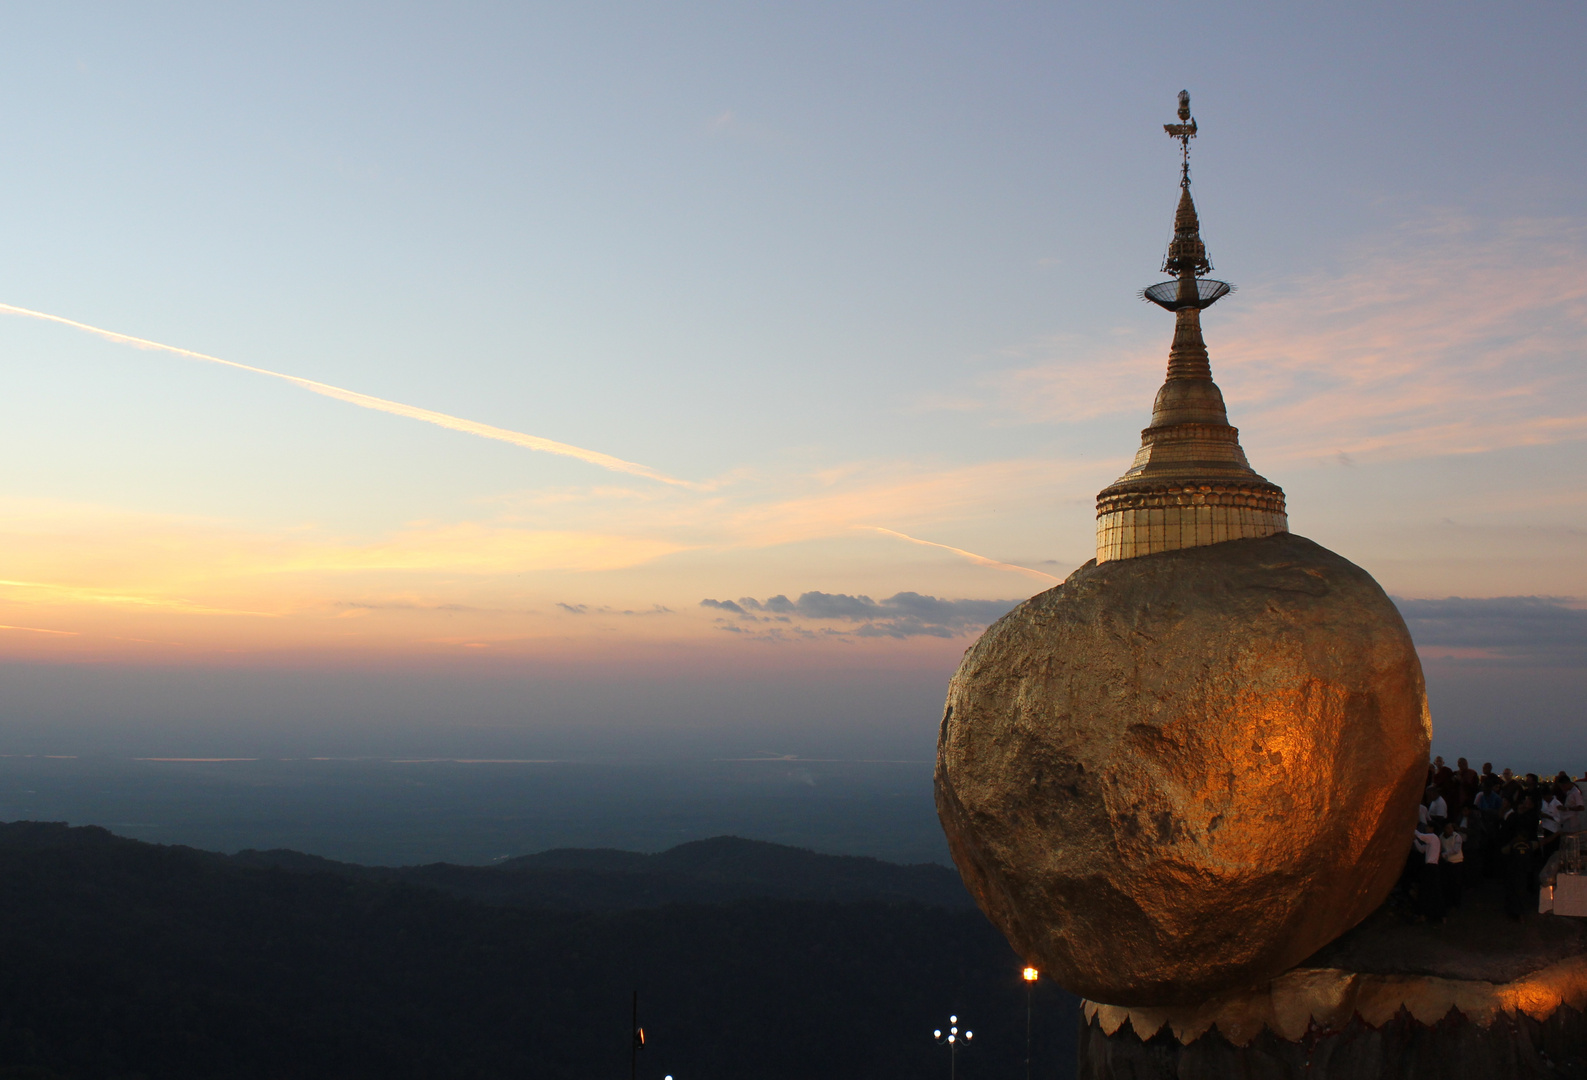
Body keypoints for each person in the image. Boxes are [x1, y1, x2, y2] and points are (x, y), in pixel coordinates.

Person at [1412, 823, 1444, 923]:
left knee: (1426, 890)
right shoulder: (1433, 841)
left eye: (1428, 827)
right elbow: (1422, 849)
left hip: (1430, 868)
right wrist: (1415, 839)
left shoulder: (1432, 837)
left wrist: (1412, 829)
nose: (1426, 828)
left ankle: (1424, 915)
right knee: (1432, 890)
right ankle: (1438, 915)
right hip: (1432, 868)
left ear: (1432, 828)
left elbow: (1421, 836)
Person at [1440, 819, 1465, 909]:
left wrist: (1444, 854)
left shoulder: (1457, 837)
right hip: (1447, 863)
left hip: (1457, 862)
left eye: (1451, 828)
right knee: (1448, 883)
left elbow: (1456, 849)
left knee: (1456, 883)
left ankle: (1457, 902)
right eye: (1448, 828)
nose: (1450, 830)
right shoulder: (1441, 837)